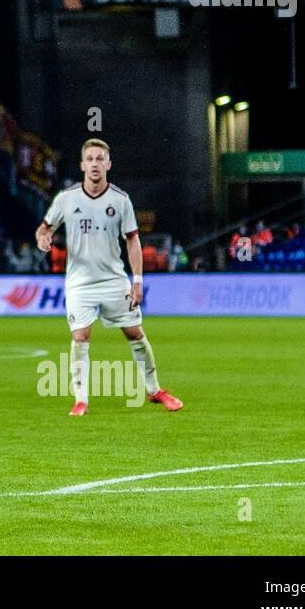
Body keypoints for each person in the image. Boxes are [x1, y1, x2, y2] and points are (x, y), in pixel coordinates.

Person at [36, 139, 182, 417]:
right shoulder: (66, 198)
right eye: (89, 159)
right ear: (82, 165)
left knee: (135, 333)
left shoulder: (120, 199)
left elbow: (133, 241)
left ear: (108, 164)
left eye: (100, 158)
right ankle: (81, 400)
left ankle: (155, 390)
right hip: (79, 282)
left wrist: (137, 280)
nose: (94, 163)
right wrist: (44, 238)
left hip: (114, 280)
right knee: (80, 336)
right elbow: (44, 228)